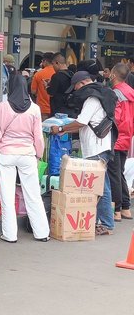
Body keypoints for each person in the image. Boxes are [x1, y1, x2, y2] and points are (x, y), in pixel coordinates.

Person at [50, 71, 117, 236]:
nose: (75, 92)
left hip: (96, 148)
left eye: (76, 87)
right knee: (102, 185)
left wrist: (61, 128)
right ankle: (102, 222)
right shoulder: (98, 95)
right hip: (99, 146)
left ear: (82, 83)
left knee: (98, 188)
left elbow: (81, 122)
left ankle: (106, 224)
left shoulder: (92, 99)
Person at [0, 73, 50, 243]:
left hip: (6, 154)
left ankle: (9, 234)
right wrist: (38, 153)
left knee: (7, 195)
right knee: (33, 194)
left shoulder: (3, 107)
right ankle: (42, 232)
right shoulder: (35, 109)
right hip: (27, 154)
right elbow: (38, 136)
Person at [107, 63, 134, 221]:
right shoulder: (131, 92)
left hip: (116, 137)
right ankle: (125, 207)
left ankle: (116, 209)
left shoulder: (115, 93)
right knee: (120, 172)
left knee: (114, 174)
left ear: (114, 75)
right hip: (127, 137)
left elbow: (115, 117)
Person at [47, 52, 74, 117]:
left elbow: (51, 93)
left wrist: (47, 86)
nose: (53, 67)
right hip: (70, 107)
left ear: (57, 63)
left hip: (58, 109)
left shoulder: (56, 76)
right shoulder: (72, 74)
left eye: (53, 64)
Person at [31, 52, 55, 121]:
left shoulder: (38, 74)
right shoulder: (57, 72)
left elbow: (33, 91)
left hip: (42, 108)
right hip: (56, 108)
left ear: (45, 61)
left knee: (43, 129)